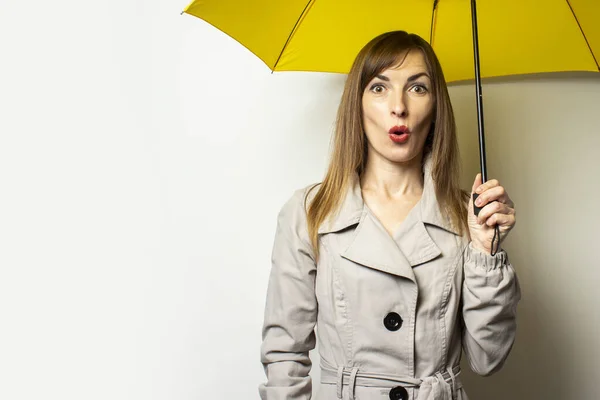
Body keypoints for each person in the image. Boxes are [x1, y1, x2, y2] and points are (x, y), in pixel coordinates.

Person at [258, 31, 521, 400]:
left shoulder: (467, 218)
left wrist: (485, 254)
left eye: (417, 88)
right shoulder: (311, 213)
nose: (399, 106)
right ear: (358, 104)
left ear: (436, 107)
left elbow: (487, 359)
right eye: (379, 88)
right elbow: (285, 354)